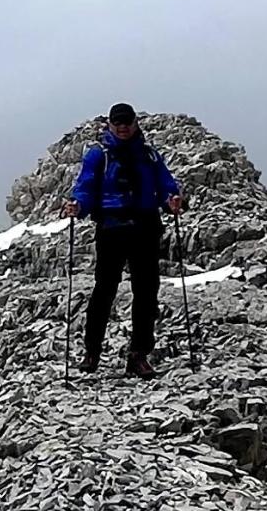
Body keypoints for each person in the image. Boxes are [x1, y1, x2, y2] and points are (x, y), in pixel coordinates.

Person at [70, 103, 184, 376]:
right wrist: (78, 204)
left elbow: (166, 184)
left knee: (145, 293)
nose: (123, 127)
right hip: (112, 227)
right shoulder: (99, 155)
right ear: (109, 124)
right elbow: (85, 186)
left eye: (127, 123)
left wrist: (172, 199)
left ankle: (138, 355)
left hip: (144, 227)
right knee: (104, 291)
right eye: (118, 123)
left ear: (135, 123)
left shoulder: (150, 156)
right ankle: (92, 353)